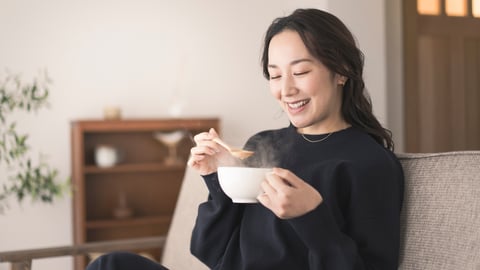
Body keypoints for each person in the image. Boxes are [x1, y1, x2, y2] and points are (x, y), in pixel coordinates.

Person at [187, 8, 404, 270]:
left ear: (342, 70)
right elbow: (209, 252)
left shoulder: (369, 163)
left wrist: (311, 217)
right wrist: (218, 178)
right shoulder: (261, 145)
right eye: (275, 75)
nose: (286, 90)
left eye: (300, 72)